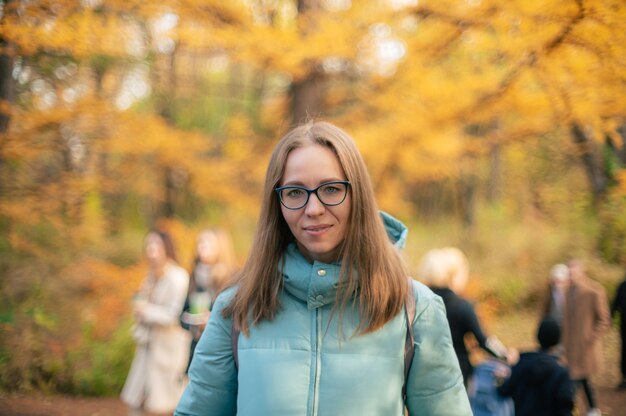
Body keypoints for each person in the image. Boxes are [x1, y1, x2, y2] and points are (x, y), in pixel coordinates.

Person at [175, 121, 471, 415]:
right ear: (276, 202)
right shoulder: (237, 307)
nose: (313, 209)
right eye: (294, 192)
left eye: (331, 189)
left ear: (358, 197)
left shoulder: (414, 308)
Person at [417, 247, 514, 387]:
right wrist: (504, 354)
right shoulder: (462, 306)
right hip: (456, 373)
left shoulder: (419, 303)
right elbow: (483, 340)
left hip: (423, 372)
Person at [121, 230, 191, 416]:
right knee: (138, 404)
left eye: (155, 244)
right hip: (147, 349)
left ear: (166, 247)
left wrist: (145, 310)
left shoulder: (178, 277)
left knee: (168, 406)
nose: (150, 249)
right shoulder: (149, 277)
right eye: (148, 245)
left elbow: (173, 315)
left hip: (169, 352)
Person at [542, 259, 611, 416]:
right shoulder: (567, 292)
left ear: (581, 272)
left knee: (574, 383)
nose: (570, 276)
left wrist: (590, 338)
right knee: (582, 379)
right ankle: (593, 409)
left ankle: (578, 410)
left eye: (573, 272)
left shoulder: (595, 291)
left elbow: (604, 320)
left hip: (586, 348)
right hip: (570, 348)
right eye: (569, 272)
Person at [181, 228, 236, 372]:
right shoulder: (193, 276)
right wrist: (194, 323)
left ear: (221, 247)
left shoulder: (231, 278)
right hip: (196, 349)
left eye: (209, 243)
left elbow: (236, 318)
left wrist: (212, 321)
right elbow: (180, 317)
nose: (203, 246)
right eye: (200, 242)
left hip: (222, 352)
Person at [497, 316, 575, 416]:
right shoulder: (560, 372)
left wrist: (499, 380)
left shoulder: (521, 364)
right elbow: (565, 408)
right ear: (558, 340)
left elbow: (504, 391)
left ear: (538, 336)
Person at [611, 272, 626, 390]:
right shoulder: (622, 286)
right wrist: (610, 317)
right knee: (624, 352)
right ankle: (624, 378)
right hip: (624, 326)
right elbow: (615, 304)